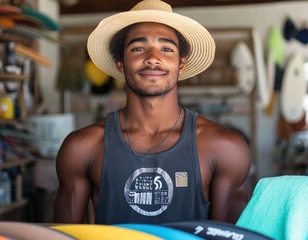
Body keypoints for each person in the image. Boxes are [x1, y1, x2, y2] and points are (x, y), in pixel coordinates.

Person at [54, 0, 251, 225]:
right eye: (138, 48)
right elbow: (63, 235)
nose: (153, 58)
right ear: (120, 62)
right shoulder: (81, 147)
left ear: (181, 64)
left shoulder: (225, 148)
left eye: (166, 49)